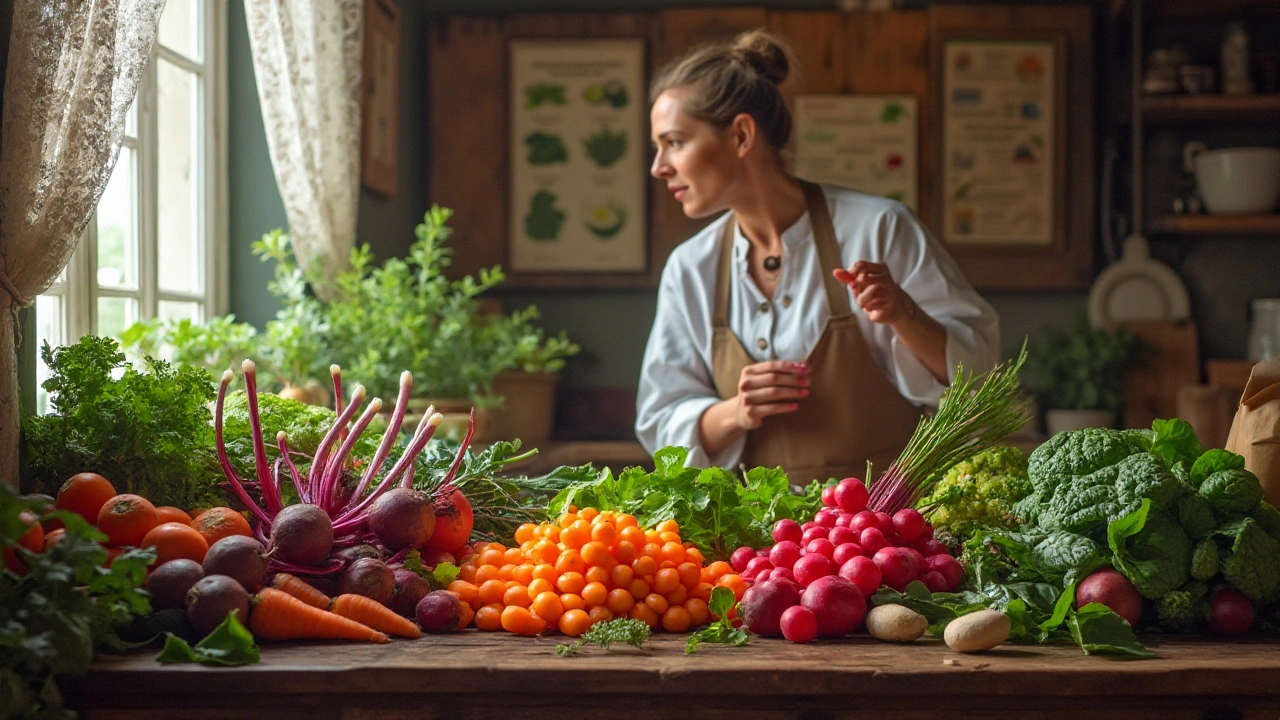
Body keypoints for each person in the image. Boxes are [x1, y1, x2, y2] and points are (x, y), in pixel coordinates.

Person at [634, 29, 999, 486]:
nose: (659, 166)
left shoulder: (879, 228)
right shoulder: (690, 267)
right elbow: (660, 419)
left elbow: (981, 380)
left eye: (674, 142)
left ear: (742, 135)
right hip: (752, 541)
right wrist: (735, 412)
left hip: (883, 535)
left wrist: (903, 313)